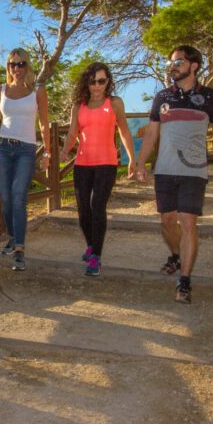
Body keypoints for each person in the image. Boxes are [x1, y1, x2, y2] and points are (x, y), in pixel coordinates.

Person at [135, 45, 213, 303]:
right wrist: (140, 163)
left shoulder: (209, 97)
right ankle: (176, 256)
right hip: (165, 170)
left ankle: (185, 281)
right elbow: (152, 133)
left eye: (179, 61)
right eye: (171, 62)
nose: (173, 66)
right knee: (167, 222)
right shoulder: (162, 97)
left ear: (194, 66)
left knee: (188, 223)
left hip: (194, 172)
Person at [60, 63, 144, 277]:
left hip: (106, 163)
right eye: (93, 81)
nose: (97, 86)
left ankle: (96, 256)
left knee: (98, 206)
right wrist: (63, 152)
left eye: (101, 81)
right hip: (82, 164)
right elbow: (72, 133)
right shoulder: (78, 106)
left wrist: (132, 159)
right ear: (86, 82)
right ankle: (90, 245)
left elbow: (124, 130)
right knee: (82, 210)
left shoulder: (114, 103)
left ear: (108, 82)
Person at [0, 48, 47, 271]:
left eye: (21, 64)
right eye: (12, 64)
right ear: (8, 67)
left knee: (19, 196)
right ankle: (12, 236)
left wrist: (47, 152)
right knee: (7, 198)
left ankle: (19, 249)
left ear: (27, 66)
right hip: (2, 147)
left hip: (26, 149)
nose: (17, 68)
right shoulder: (0, 90)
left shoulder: (37, 90)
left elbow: (44, 124)